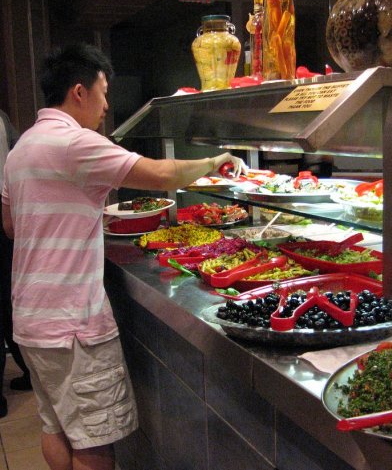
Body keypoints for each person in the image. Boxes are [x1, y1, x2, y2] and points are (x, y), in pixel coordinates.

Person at [1, 43, 247, 470]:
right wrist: (216, 160)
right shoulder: (74, 142)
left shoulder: (22, 147)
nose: (107, 104)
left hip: (29, 314)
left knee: (56, 427)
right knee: (93, 445)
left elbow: (10, 224)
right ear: (79, 92)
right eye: (102, 91)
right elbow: (161, 175)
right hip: (72, 324)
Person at [0, 108, 32, 419]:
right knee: (6, 303)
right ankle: (29, 371)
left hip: (5, 213)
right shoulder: (2, 120)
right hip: (4, 218)